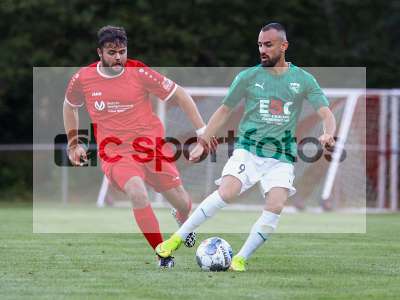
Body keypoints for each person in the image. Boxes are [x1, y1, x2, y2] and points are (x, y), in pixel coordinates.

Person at [156, 22, 337, 271]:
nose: (262, 49)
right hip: (248, 150)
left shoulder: (303, 80)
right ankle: (176, 239)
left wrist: (329, 133)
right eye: (260, 45)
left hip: (281, 156)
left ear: (284, 46)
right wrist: (202, 141)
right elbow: (223, 110)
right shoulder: (248, 77)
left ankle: (240, 258)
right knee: (228, 192)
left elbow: (326, 112)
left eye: (268, 45)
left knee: (275, 205)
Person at [63, 25, 209, 268]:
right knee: (137, 191)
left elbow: (180, 95)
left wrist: (202, 132)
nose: (118, 56)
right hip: (116, 153)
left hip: (152, 149)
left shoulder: (140, 72)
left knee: (183, 203)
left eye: (122, 51)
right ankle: (163, 254)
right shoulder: (83, 78)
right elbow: (70, 106)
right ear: (99, 52)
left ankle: (182, 218)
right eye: (112, 52)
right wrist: (73, 142)